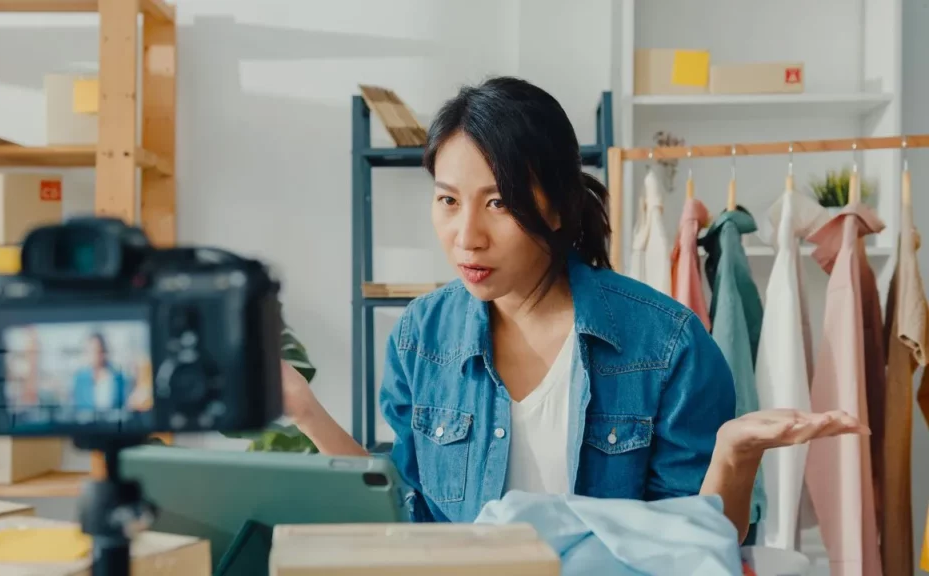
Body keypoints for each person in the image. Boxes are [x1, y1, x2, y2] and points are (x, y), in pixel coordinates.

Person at [280, 76, 866, 542]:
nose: (467, 236)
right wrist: (305, 411)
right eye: (448, 201)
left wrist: (733, 456)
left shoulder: (667, 346)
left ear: (557, 207)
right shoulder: (421, 337)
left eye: (499, 203)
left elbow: (696, 546)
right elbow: (404, 521)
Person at [71, 332, 129, 410]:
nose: (94, 355)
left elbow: (122, 405)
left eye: (98, 350)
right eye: (90, 351)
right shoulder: (80, 378)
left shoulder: (118, 377)